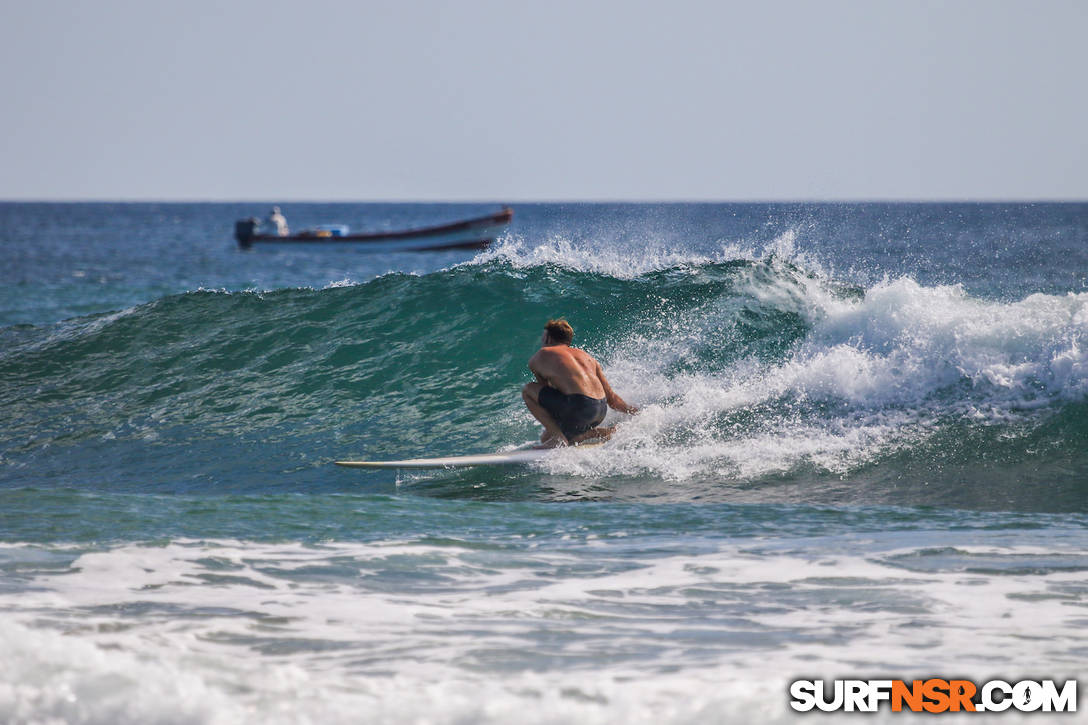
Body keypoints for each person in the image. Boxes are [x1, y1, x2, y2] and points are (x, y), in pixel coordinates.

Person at [522, 319, 638, 448]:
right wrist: (637, 413)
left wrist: (555, 430)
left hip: (578, 408)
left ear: (548, 338)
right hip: (600, 410)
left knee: (528, 390)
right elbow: (612, 399)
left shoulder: (542, 355)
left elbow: (546, 399)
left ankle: (558, 439)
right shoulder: (587, 357)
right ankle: (599, 433)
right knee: (546, 438)